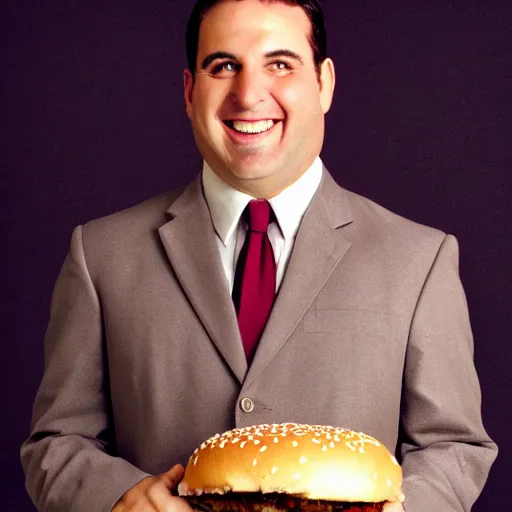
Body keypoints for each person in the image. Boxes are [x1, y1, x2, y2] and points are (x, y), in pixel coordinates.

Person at [21, 0, 497, 511]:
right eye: (224, 66)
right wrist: (118, 498)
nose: (248, 95)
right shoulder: (101, 255)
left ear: (324, 84)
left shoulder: (419, 259)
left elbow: (453, 446)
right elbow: (56, 444)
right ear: (189, 91)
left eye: (280, 64)